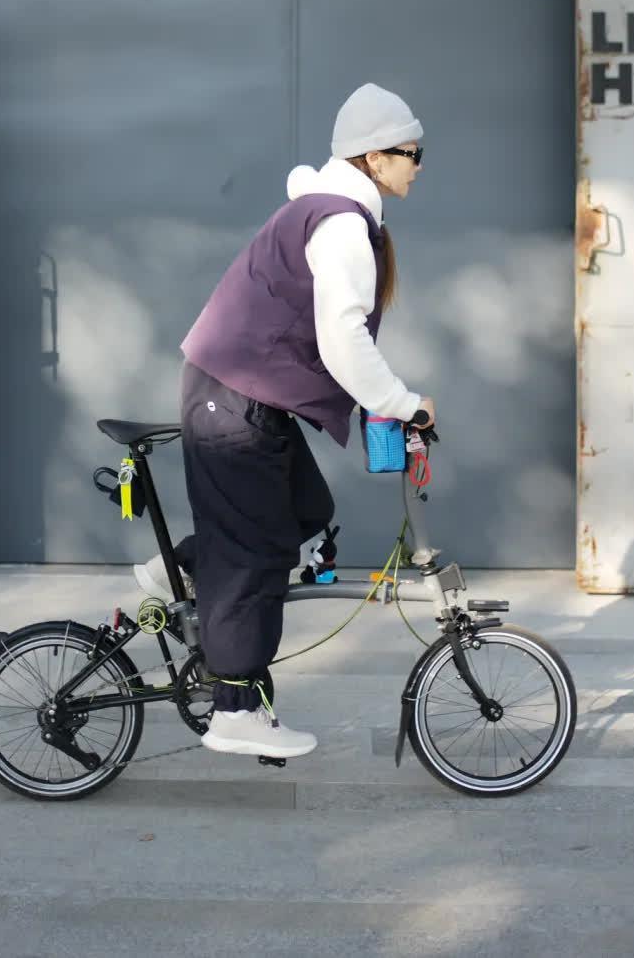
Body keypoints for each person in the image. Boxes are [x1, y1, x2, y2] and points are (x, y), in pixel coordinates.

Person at [134, 83, 434, 759]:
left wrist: (391, 398)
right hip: (233, 398)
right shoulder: (340, 226)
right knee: (257, 549)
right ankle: (237, 706)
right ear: (373, 157)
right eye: (411, 152)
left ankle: (177, 572)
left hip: (239, 394)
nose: (419, 164)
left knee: (304, 507)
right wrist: (402, 401)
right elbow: (343, 338)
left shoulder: (333, 213)